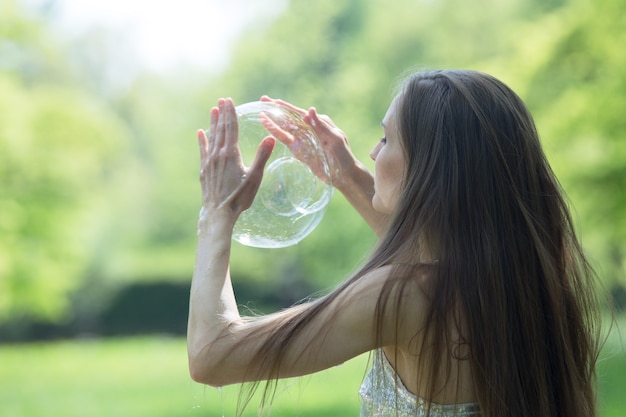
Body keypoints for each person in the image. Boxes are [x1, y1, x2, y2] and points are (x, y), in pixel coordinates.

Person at [187, 69, 603, 417]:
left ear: (431, 169)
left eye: (386, 139)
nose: (371, 152)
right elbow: (432, 257)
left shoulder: (403, 296)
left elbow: (214, 355)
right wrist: (346, 175)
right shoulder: (531, 280)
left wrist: (215, 215)